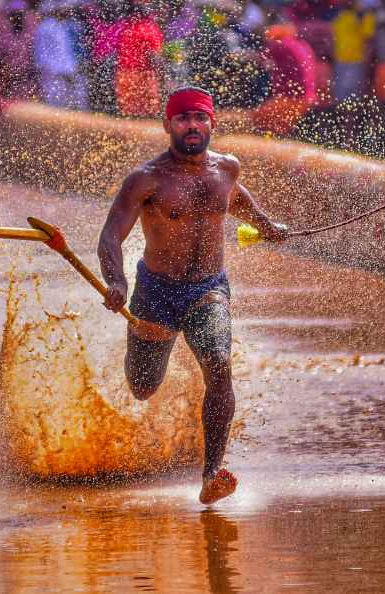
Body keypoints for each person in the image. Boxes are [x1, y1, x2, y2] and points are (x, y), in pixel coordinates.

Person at [96, 87, 290, 505]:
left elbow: (235, 199)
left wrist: (265, 224)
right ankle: (148, 369)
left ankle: (212, 472)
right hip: (155, 291)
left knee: (219, 363)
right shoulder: (146, 178)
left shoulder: (228, 168)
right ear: (167, 125)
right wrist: (117, 283)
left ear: (211, 125)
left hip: (208, 288)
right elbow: (111, 236)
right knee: (143, 386)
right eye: (183, 119)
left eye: (200, 119)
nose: (192, 127)